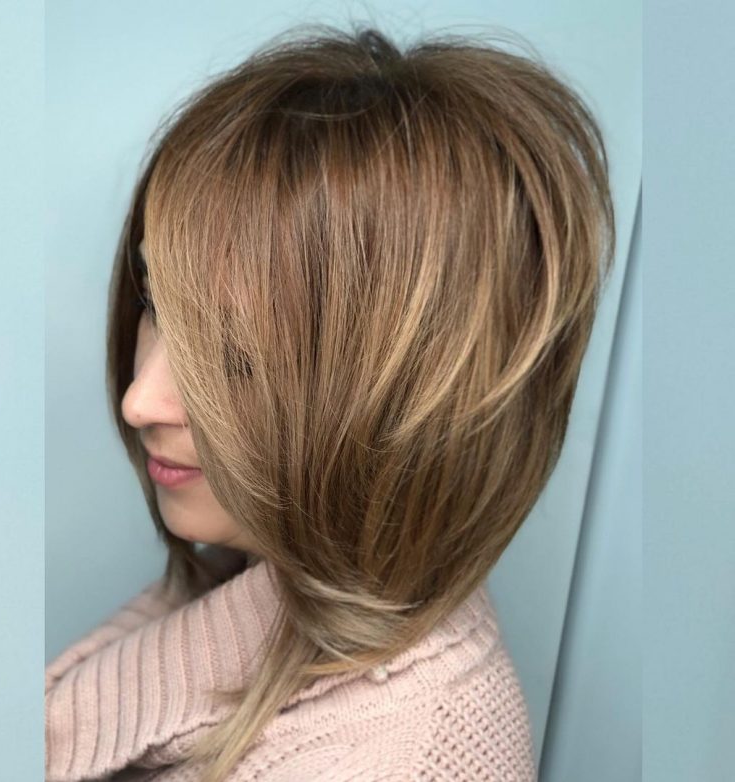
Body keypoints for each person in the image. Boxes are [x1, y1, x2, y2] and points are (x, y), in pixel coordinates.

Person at [45, 22, 615, 782]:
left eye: (237, 356)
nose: (140, 401)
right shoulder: (248, 580)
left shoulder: (395, 763)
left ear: (412, 393)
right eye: (156, 303)